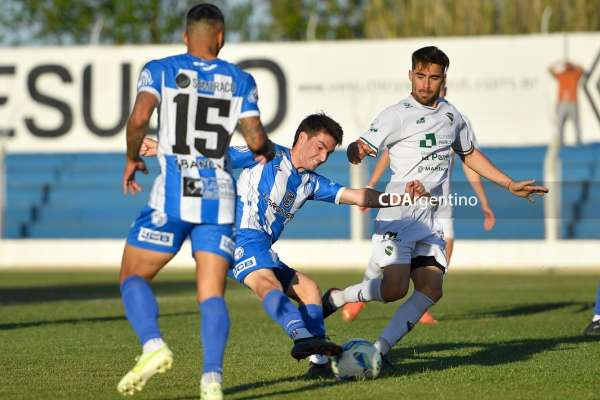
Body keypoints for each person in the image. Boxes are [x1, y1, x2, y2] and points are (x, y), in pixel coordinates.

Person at [141, 113, 426, 379]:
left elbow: (358, 196)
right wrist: (161, 148)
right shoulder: (266, 154)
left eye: (328, 152)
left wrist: (400, 199)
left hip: (261, 246)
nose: (323, 157)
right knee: (268, 284)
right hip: (235, 236)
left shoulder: (309, 182)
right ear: (302, 137)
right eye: (319, 147)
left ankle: (320, 366)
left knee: (310, 291)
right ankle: (302, 337)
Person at [322, 46, 549, 360]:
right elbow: (360, 146)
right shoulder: (395, 114)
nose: (426, 84)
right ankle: (338, 297)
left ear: (443, 79)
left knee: (431, 289)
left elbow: (469, 154)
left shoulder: (452, 116)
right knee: (394, 290)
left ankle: (379, 351)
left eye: (434, 77)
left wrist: (508, 183)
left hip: (430, 220)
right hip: (398, 216)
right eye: (420, 76)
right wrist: (357, 151)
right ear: (410, 75)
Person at [117, 4, 273, 400]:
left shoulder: (161, 69)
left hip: (173, 196)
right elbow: (255, 137)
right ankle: (211, 381)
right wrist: (265, 150)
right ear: (220, 38)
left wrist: (133, 157)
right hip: (218, 200)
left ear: (186, 37)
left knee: (133, 277)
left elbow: (138, 120)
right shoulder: (240, 79)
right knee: (211, 295)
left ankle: (153, 345)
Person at [341, 86, 496, 324]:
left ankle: (421, 301)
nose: (433, 88)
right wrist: (371, 185)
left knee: (444, 253)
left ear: (444, 84)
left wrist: (484, 202)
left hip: (440, 200)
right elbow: (386, 154)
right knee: (391, 255)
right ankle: (361, 294)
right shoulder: (407, 117)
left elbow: (469, 161)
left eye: (438, 81)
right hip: (408, 200)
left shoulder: (455, 119)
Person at [548, 61, 585, 145]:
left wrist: (573, 64)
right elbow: (549, 69)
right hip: (562, 102)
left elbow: (582, 69)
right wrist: (558, 63)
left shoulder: (575, 74)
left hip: (572, 101)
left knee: (576, 122)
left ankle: (578, 140)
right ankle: (560, 141)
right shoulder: (561, 75)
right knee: (560, 123)